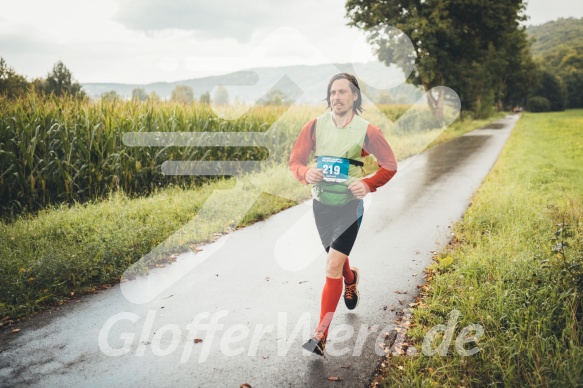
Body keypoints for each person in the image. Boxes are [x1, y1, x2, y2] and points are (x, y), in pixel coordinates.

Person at [288, 73, 398, 356]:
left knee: (330, 267)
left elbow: (389, 165)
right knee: (336, 260)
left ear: (355, 97)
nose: (337, 97)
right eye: (332, 92)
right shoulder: (314, 127)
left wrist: (367, 183)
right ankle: (351, 280)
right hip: (321, 205)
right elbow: (296, 162)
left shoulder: (368, 131)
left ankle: (320, 335)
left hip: (350, 207)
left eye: (343, 92)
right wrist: (305, 172)